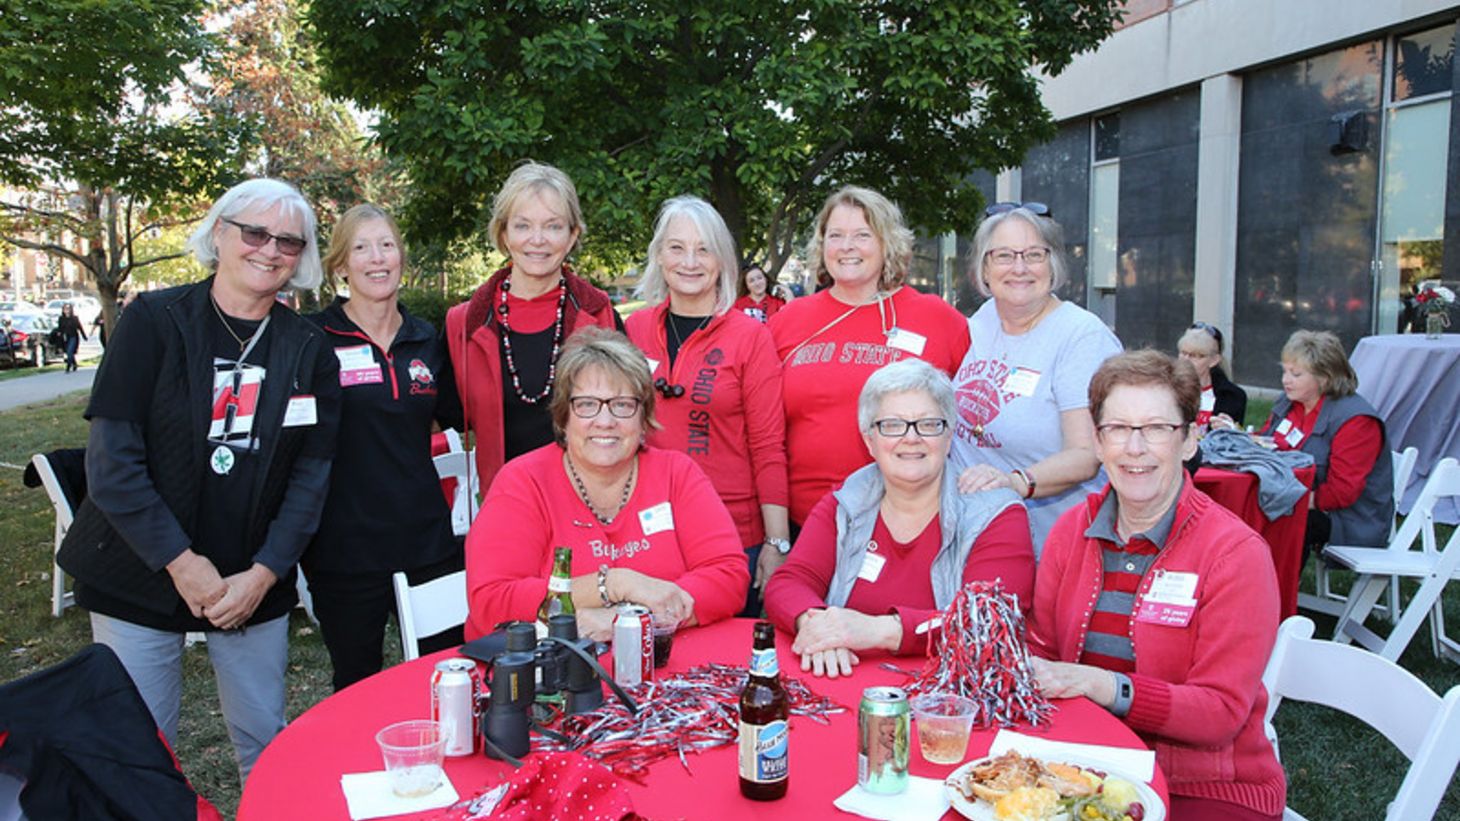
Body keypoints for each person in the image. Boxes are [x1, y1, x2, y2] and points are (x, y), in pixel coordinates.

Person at [56, 178, 340, 783]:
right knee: (137, 749)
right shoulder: (154, 322)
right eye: (254, 232)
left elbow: (312, 476)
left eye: (288, 241)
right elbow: (111, 466)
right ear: (219, 233)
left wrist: (264, 573)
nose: (269, 250)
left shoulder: (310, 348)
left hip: (250, 580)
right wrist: (183, 565)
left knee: (267, 744)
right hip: (139, 570)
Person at [1027, 351, 1285, 820]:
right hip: (1084, 768)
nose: (1135, 447)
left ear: (1189, 440)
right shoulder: (1071, 531)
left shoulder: (1234, 554)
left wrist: (1106, 686)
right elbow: (1039, 647)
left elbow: (1220, 712)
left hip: (1206, 789)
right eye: (1118, 428)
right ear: (1099, 442)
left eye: (1156, 429)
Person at [465, 327, 750, 641]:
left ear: (644, 417)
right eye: (587, 404)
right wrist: (615, 583)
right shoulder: (523, 481)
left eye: (623, 405)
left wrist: (625, 622)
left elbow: (729, 577)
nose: (605, 421)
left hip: (664, 666)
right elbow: (492, 601)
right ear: (563, 416)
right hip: (546, 679)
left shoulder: (677, 473)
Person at [764, 359, 1034, 677]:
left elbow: (989, 621)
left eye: (929, 424)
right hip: (845, 684)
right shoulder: (846, 501)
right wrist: (817, 623)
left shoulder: (996, 514)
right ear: (870, 441)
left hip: (949, 700)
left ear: (948, 438)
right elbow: (788, 582)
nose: (911, 437)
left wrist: (879, 631)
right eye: (892, 425)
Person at [304, 204, 464, 691]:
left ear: (401, 256)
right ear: (340, 265)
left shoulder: (426, 341)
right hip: (344, 548)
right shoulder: (313, 338)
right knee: (357, 683)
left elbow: (462, 415)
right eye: (361, 247)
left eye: (387, 245)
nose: (377, 258)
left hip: (426, 539)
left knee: (450, 675)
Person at [625, 197, 789, 616]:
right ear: (659, 256)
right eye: (677, 247)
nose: (690, 261)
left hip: (733, 538)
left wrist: (776, 543)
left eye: (704, 248)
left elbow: (769, 446)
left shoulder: (750, 337)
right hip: (649, 534)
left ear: (723, 260)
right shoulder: (634, 329)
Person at [770, 185, 970, 529]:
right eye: (836, 235)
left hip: (907, 524)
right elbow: (764, 432)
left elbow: (973, 414)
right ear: (822, 246)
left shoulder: (938, 318)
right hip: (803, 522)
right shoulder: (787, 321)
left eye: (863, 235)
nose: (847, 247)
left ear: (886, 243)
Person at [952, 203, 1122, 550]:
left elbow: (1086, 454)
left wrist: (1015, 483)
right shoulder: (979, 322)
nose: (1019, 268)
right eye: (1003, 256)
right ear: (984, 268)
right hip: (972, 536)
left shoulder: (1082, 337)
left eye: (1033, 255)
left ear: (1053, 264)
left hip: (1050, 546)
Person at [444, 161, 620, 495]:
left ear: (572, 236)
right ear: (504, 234)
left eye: (553, 226)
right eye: (523, 226)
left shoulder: (602, 317)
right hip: (506, 506)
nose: (537, 240)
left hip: (592, 505)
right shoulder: (463, 325)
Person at [1261, 330, 1393, 556]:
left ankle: (1276, 589)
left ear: (1325, 377)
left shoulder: (1356, 421)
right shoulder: (1289, 403)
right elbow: (1266, 443)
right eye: (1284, 371)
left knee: (1279, 522)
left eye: (1296, 374)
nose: (1285, 380)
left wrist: (1286, 502)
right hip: (1290, 497)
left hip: (1348, 518)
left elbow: (1342, 492)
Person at [1177, 322, 1246, 433]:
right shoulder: (1168, 389)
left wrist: (1230, 428)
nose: (1186, 360)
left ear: (1214, 360)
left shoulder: (1231, 396)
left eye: (1195, 356)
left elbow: (1233, 440)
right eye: (1183, 353)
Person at [57, 301, 87, 372]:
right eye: (65, 309)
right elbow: (60, 328)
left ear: (71, 310)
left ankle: (68, 365)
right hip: (65, 337)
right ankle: (74, 363)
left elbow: (80, 327)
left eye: (68, 309)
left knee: (70, 351)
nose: (66, 310)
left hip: (73, 336)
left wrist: (84, 336)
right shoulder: (61, 318)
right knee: (67, 352)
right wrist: (59, 335)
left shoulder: (74, 318)